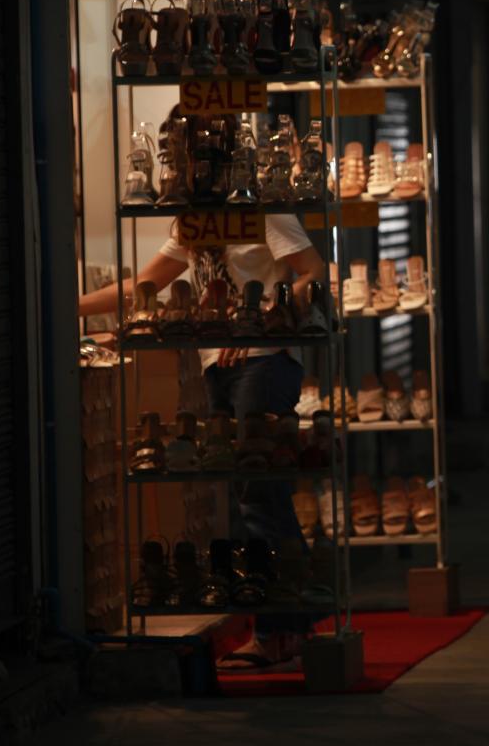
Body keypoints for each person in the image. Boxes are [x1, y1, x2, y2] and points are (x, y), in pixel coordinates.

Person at [78, 208, 326, 668]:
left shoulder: (264, 211)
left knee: (259, 495)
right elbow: (144, 284)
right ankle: (292, 627)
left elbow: (313, 270)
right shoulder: (197, 224)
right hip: (218, 363)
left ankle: (281, 631)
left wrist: (265, 317)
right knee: (250, 495)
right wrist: (73, 307)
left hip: (263, 357)